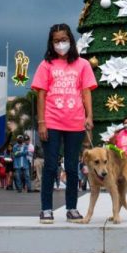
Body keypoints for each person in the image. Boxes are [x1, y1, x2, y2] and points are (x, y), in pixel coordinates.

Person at [31, 23, 96, 224]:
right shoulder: (46, 65)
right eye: (57, 40)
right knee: (50, 166)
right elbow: (41, 94)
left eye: (64, 40)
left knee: (71, 167)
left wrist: (89, 117)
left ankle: (72, 208)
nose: (61, 44)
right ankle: (47, 209)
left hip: (75, 123)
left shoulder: (82, 64)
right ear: (51, 43)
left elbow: (86, 92)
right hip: (51, 121)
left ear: (71, 40)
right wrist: (41, 122)